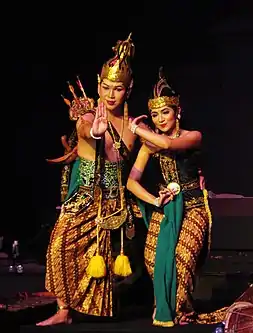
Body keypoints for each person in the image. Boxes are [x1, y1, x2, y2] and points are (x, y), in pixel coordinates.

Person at [37, 33, 146, 326]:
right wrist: (96, 132)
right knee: (61, 246)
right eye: (106, 87)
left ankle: (90, 308)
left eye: (118, 88)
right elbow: (87, 131)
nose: (111, 94)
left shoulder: (133, 126)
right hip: (83, 192)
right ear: (98, 85)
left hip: (112, 198)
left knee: (99, 255)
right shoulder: (88, 115)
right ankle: (63, 309)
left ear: (128, 90)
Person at [126, 68, 226, 327]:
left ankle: (183, 312)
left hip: (193, 207)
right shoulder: (149, 145)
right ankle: (166, 311)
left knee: (182, 262)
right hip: (167, 208)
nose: (160, 119)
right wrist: (154, 200)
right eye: (155, 114)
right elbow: (131, 182)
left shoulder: (193, 137)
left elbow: (169, 145)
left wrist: (137, 129)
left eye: (166, 112)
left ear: (178, 112)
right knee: (153, 261)